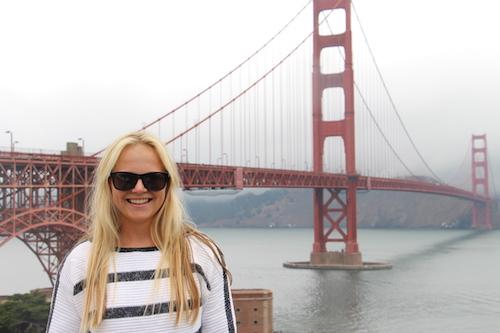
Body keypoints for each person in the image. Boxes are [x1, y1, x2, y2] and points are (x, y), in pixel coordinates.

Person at [46, 131, 236, 333]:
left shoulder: (202, 254)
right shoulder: (80, 262)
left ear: (168, 185)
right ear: (108, 184)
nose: (138, 189)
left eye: (153, 179)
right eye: (125, 179)